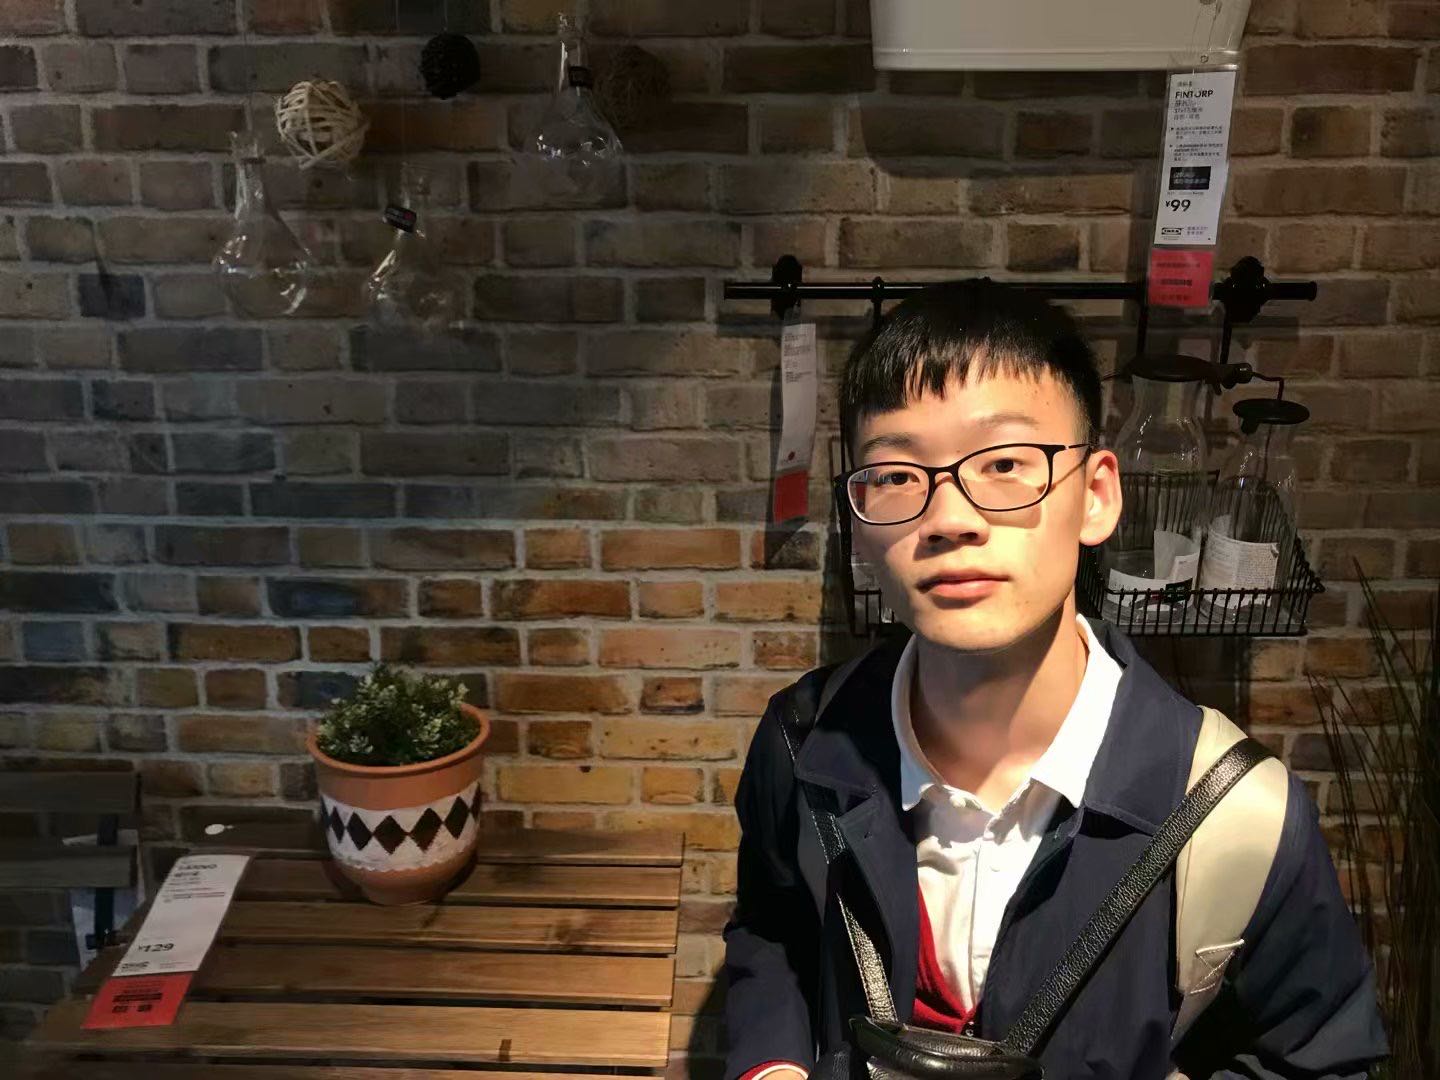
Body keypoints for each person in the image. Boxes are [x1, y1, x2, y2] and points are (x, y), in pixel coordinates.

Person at [722, 282, 1386, 1080]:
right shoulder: (801, 745)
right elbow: (774, 927)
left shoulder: (1237, 814)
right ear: (860, 522)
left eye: (1005, 464)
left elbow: (1315, 1060)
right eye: (895, 476)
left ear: (1096, 495)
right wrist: (770, 1063)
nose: (949, 518)